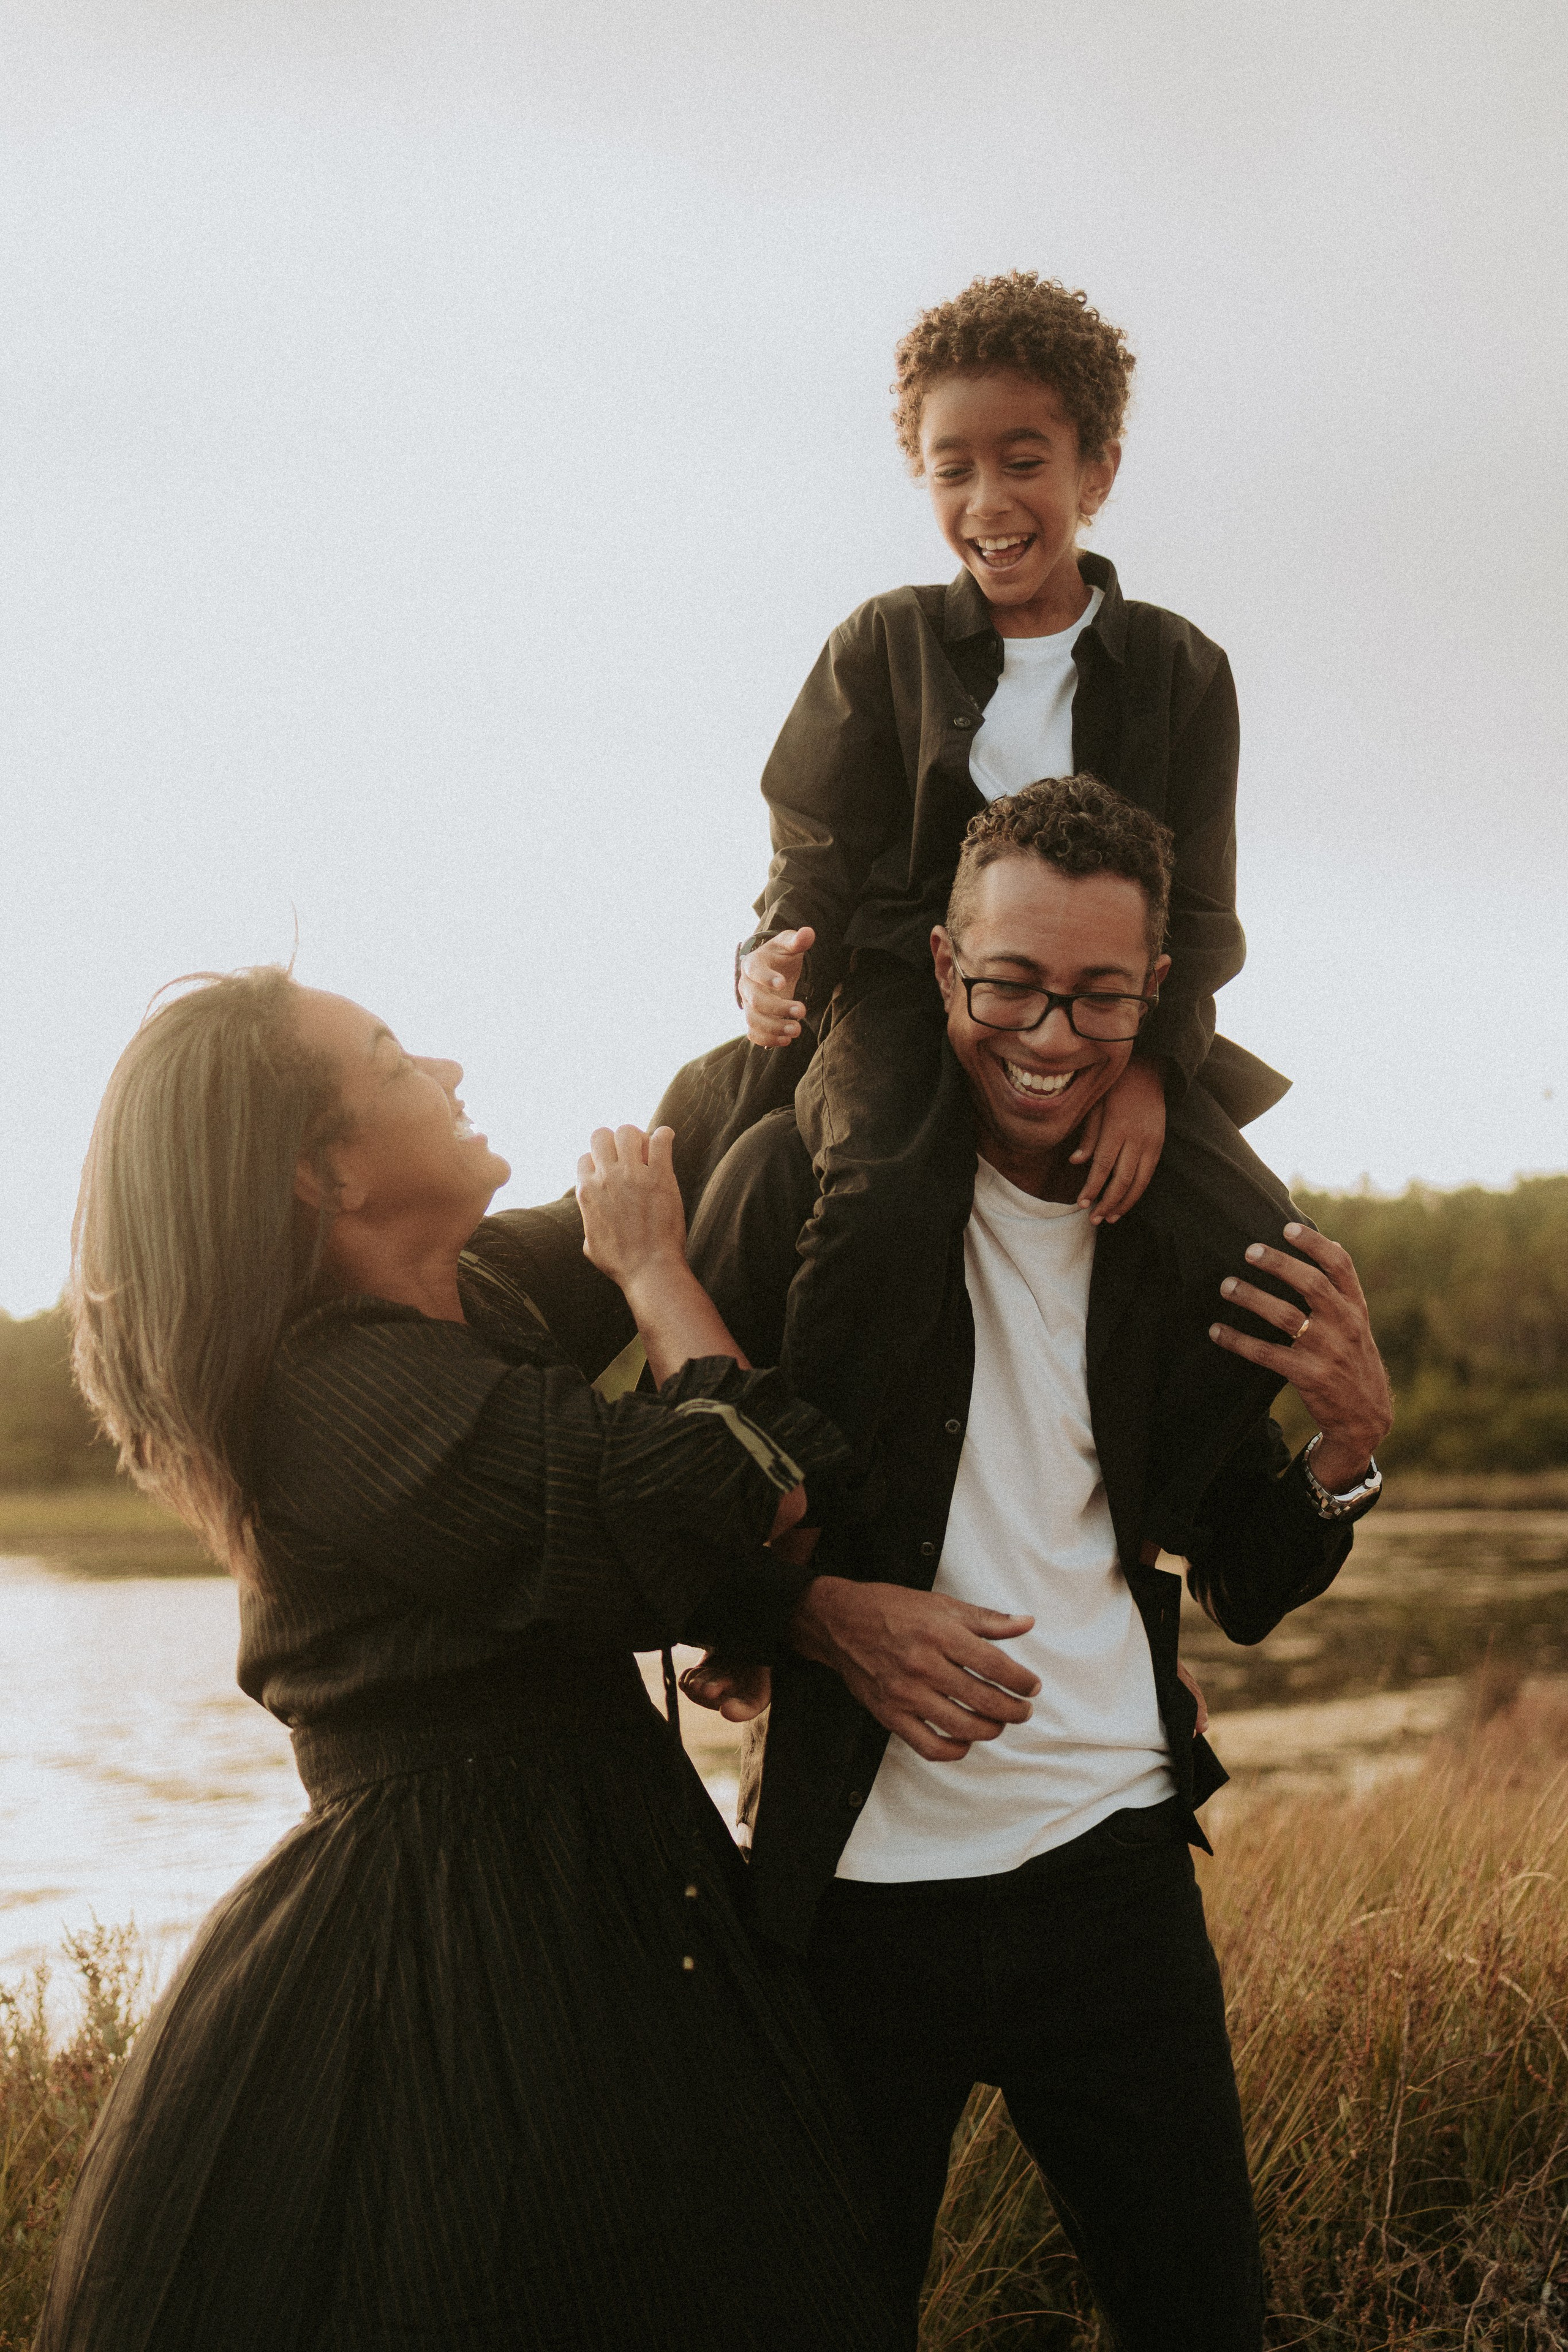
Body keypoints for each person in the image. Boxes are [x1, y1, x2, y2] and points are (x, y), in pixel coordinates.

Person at [38, 965, 907, 2352]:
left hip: (597, 1871)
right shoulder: (338, 1394)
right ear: (325, 1172)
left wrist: (770, 1021)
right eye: (390, 1061)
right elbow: (751, 1481)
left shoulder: (474, 1292)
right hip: (463, 1936)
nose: (441, 1067)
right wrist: (656, 1275)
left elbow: (654, 1168)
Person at [684, 778, 1393, 2351]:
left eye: (1095, 996)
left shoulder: (1187, 1237)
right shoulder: (798, 1190)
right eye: (1009, 984)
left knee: (1202, 2317)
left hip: (1112, 1878)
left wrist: (1346, 1445)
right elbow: (660, 1523)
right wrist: (806, 1616)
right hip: (853, 1903)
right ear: (941, 968)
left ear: (1154, 1002)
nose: (1050, 1037)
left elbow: (1249, 1576)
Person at [673, 268, 1287, 1499]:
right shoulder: (879, 643)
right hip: (908, 981)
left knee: (1261, 1247)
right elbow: (810, 849)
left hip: (1113, 1015)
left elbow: (1202, 914)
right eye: (952, 467)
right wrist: (772, 954)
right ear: (921, 475)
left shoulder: (1179, 669)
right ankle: (803, 1520)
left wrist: (1155, 1072)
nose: (987, 500)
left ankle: (1161, 1519)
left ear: (1094, 472)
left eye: (1023, 460)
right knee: (882, 1202)